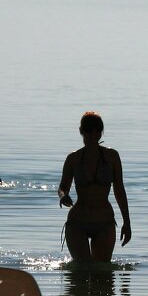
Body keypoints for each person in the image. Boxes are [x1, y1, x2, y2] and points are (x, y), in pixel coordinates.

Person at [58, 112, 131, 263]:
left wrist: (127, 222)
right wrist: (63, 195)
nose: (93, 133)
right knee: (82, 270)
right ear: (81, 131)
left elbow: (119, 190)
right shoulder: (73, 158)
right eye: (89, 129)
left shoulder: (112, 157)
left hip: (104, 221)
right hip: (78, 222)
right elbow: (62, 187)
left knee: (103, 273)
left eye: (97, 129)